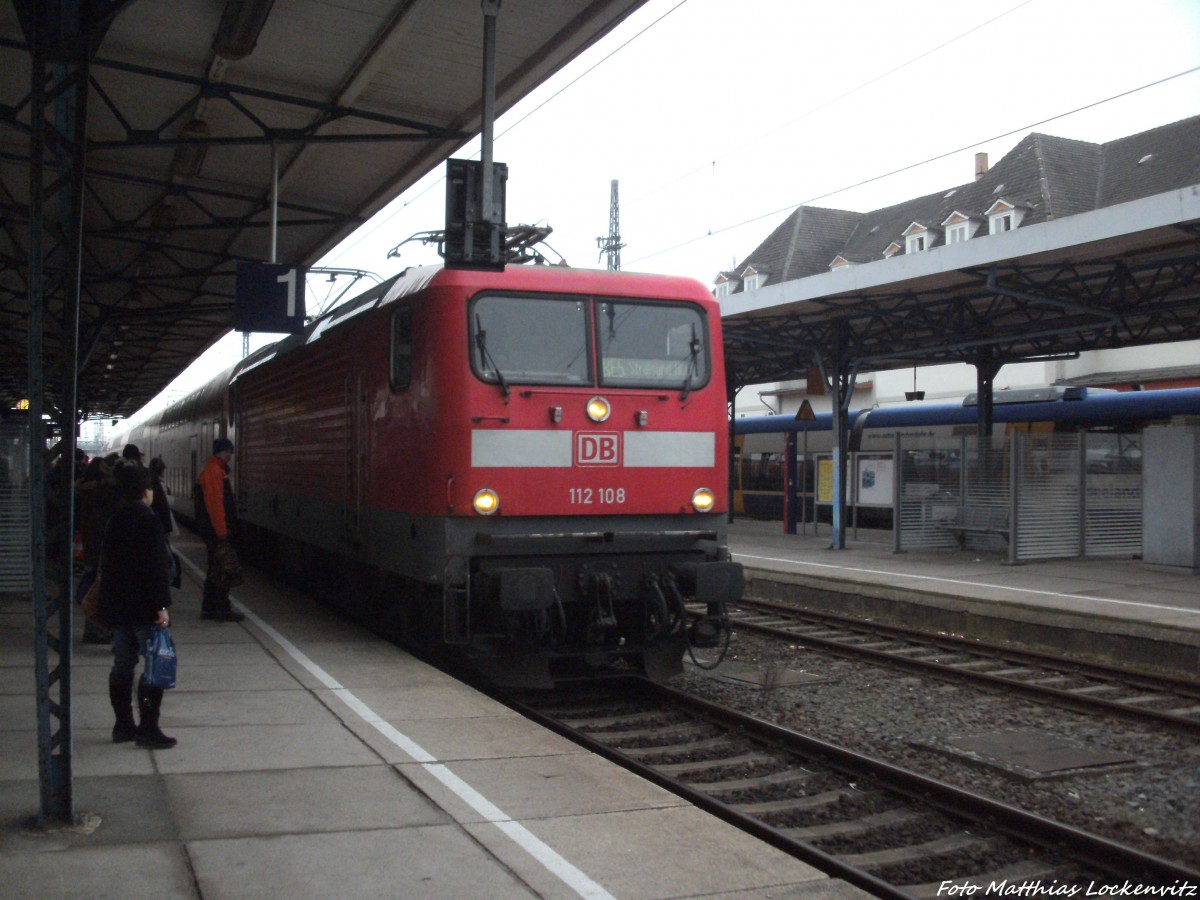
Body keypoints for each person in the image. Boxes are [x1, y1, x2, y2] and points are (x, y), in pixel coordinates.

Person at [99, 463, 176, 749]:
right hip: (144, 608)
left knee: (122, 665)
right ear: (147, 491)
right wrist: (162, 607)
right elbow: (155, 568)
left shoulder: (116, 517)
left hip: (119, 608)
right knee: (154, 665)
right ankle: (148, 728)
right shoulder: (148, 519)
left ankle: (123, 725)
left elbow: (105, 565)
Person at [196, 437, 245, 622]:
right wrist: (222, 533)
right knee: (222, 571)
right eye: (230, 452)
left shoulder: (214, 470)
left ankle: (209, 608)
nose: (231, 456)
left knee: (215, 570)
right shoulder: (214, 472)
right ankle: (221, 609)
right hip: (216, 532)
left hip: (213, 531)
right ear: (223, 452)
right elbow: (215, 505)